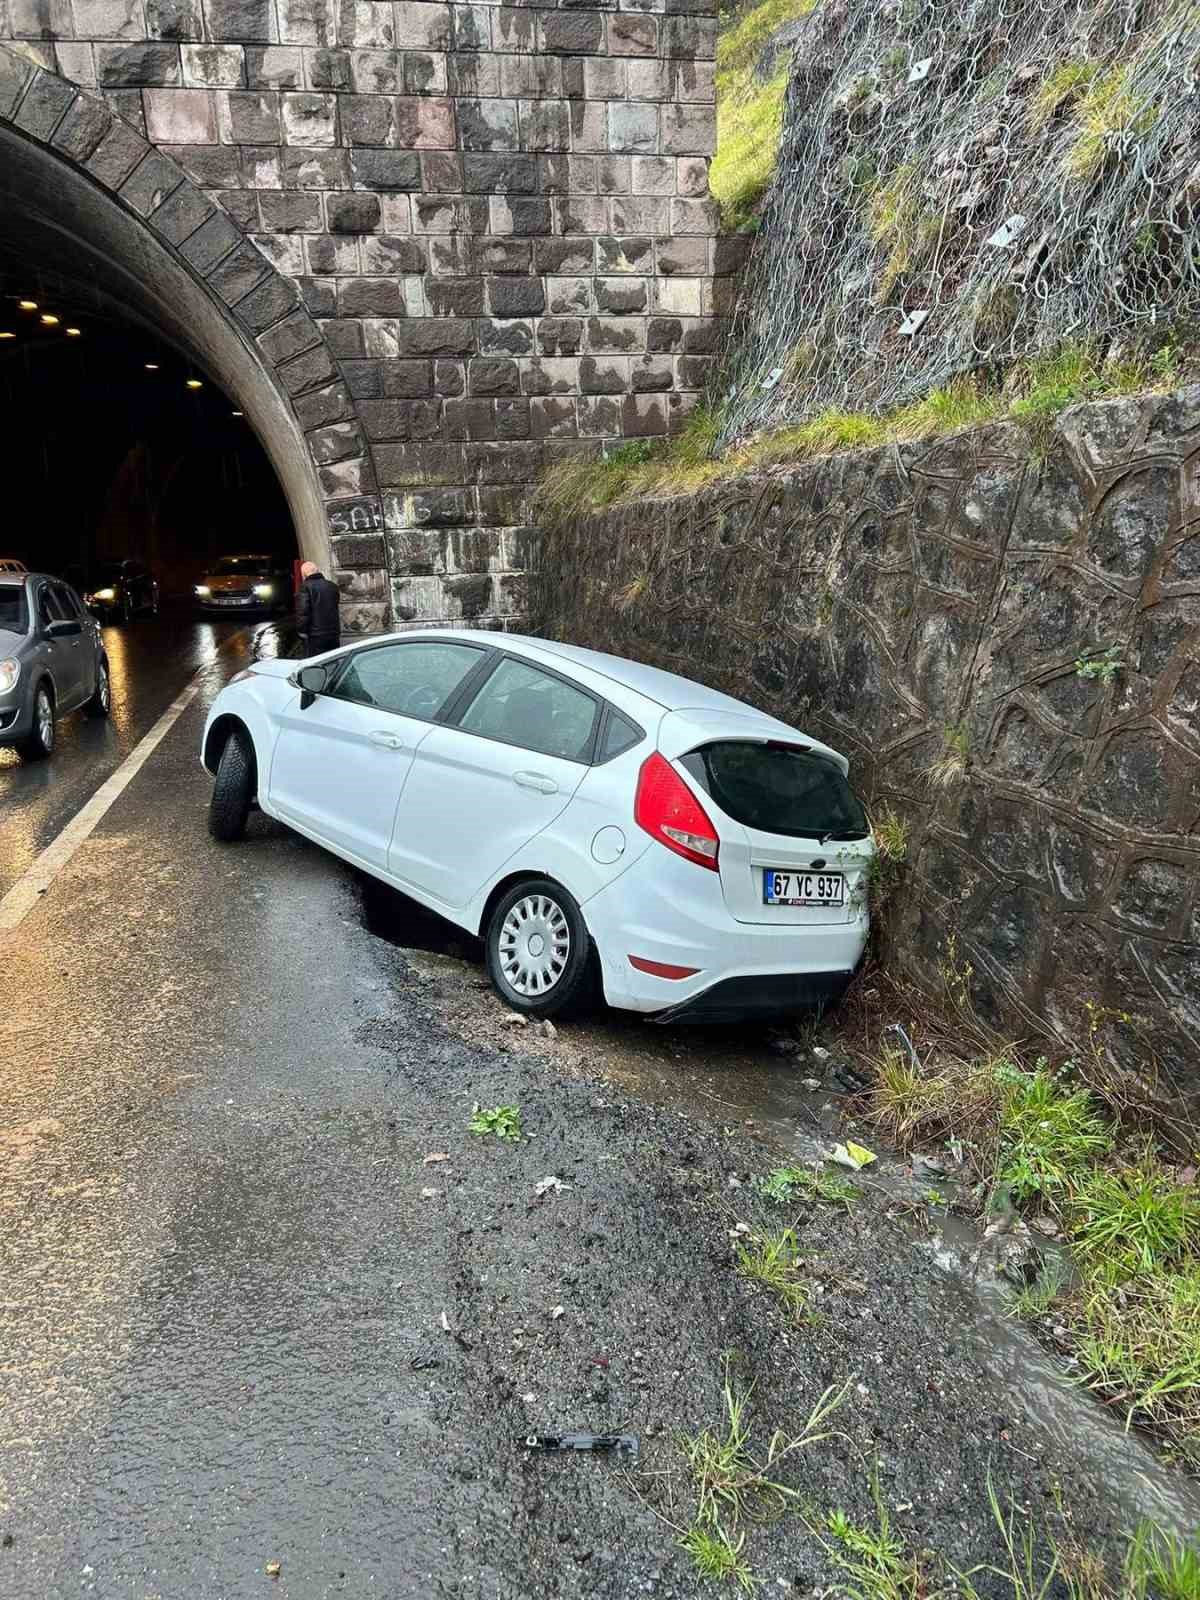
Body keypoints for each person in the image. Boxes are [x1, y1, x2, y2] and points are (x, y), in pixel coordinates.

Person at [296, 560, 341, 657]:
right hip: (333, 632)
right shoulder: (332, 585)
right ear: (317, 571)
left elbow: (303, 612)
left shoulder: (305, 587)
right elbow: (335, 605)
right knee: (334, 659)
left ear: (304, 574)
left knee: (318, 662)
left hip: (316, 635)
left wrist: (302, 630)